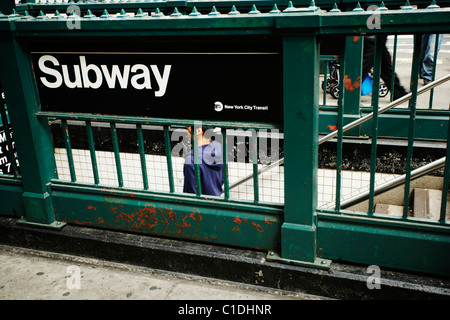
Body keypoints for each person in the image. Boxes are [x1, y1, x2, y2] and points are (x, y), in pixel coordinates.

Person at [362, 35, 408, 100]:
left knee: (385, 66)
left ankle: (399, 92)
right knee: (363, 68)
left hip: (375, 37)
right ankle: (349, 92)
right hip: (371, 37)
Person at [183, 126, 223, 196]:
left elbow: (190, 194)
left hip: (200, 205)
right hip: (217, 201)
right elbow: (222, 178)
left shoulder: (191, 160)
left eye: (188, 128)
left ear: (198, 131)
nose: (186, 132)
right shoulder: (219, 147)